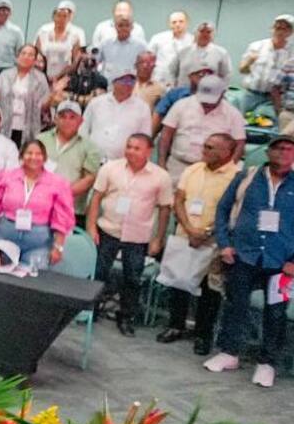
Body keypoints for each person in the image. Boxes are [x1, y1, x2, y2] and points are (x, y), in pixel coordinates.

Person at [203, 135, 294, 388]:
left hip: (282, 261)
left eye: (289, 149)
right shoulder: (247, 178)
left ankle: (267, 363)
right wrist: (224, 244)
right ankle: (229, 353)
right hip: (245, 254)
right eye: (279, 148)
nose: (284, 153)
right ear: (268, 152)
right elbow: (223, 210)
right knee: (236, 305)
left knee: (276, 313)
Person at [155, 133, 240, 354]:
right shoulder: (193, 169)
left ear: (226, 153)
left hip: (213, 242)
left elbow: (233, 213)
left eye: (210, 147)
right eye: (205, 145)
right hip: (186, 235)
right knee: (178, 284)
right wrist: (190, 229)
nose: (204, 149)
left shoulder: (237, 177)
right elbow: (179, 199)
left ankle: (203, 334)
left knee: (209, 292)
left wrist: (207, 233)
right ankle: (175, 325)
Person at [87, 133, 173, 336]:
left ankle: (125, 317)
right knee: (99, 272)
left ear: (148, 152)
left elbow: (164, 209)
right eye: (129, 146)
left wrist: (157, 238)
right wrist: (91, 226)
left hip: (138, 236)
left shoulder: (161, 176)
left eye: (137, 148)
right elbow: (96, 197)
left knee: (132, 278)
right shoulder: (110, 168)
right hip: (108, 230)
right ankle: (92, 309)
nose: (131, 151)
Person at [0, 140, 75, 269]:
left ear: (45, 157)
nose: (33, 157)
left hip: (38, 240)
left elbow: (62, 217)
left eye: (38, 154)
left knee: (32, 282)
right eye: (29, 153)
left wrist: (58, 246)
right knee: (2, 278)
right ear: (21, 156)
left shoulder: (58, 184)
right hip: (6, 235)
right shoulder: (6, 176)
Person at [158, 75, 245, 184]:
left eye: (211, 101)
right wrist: (161, 164)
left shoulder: (233, 114)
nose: (207, 104)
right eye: (204, 101)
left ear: (222, 94)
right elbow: (166, 135)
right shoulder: (181, 105)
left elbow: (239, 144)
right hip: (178, 166)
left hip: (212, 170)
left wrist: (227, 169)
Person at [38, 101, 102, 217]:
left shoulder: (90, 148)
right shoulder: (41, 139)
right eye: (62, 116)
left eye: (72, 117)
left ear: (81, 121)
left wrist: (60, 195)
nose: (67, 121)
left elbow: (89, 179)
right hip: (39, 203)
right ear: (55, 119)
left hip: (70, 208)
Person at [80, 67, 152, 162]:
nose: (128, 85)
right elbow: (83, 129)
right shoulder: (96, 103)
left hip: (122, 165)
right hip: (92, 161)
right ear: (114, 82)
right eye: (124, 81)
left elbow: (144, 139)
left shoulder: (143, 108)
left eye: (131, 81)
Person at [0, 44, 54, 145]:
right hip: (5, 123)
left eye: (30, 55)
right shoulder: (5, 75)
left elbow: (43, 106)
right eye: (23, 53)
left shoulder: (40, 78)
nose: (26, 57)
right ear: (17, 56)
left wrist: (54, 93)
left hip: (28, 125)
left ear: (34, 60)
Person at [239, 14, 293, 113]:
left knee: (268, 124)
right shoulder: (256, 46)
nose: (280, 30)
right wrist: (249, 61)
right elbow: (242, 70)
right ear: (272, 28)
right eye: (278, 27)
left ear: (290, 32)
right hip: (250, 95)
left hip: (273, 99)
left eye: (284, 28)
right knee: (239, 124)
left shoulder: (291, 53)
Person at [33, 0, 84, 81]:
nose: (62, 19)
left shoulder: (75, 36)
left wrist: (59, 76)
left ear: (69, 18)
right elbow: (36, 55)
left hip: (64, 76)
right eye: (59, 16)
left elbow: (75, 61)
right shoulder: (43, 32)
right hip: (41, 76)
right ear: (53, 17)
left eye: (65, 16)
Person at [170, 21, 231, 85]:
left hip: (209, 93)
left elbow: (226, 75)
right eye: (201, 31)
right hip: (183, 91)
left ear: (213, 35)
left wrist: (221, 90)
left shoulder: (221, 53)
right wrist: (174, 85)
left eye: (208, 32)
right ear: (195, 33)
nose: (205, 34)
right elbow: (172, 70)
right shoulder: (183, 51)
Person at [147, 11, 193, 89]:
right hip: (158, 82)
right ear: (169, 24)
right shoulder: (158, 38)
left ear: (187, 23)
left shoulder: (193, 41)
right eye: (174, 22)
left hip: (181, 85)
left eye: (181, 21)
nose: (177, 24)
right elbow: (148, 58)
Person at [94, 15, 147, 79]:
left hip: (131, 84)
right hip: (108, 84)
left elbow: (145, 66)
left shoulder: (141, 45)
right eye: (120, 25)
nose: (124, 28)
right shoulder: (105, 43)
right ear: (115, 27)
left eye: (127, 25)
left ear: (132, 27)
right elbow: (95, 61)